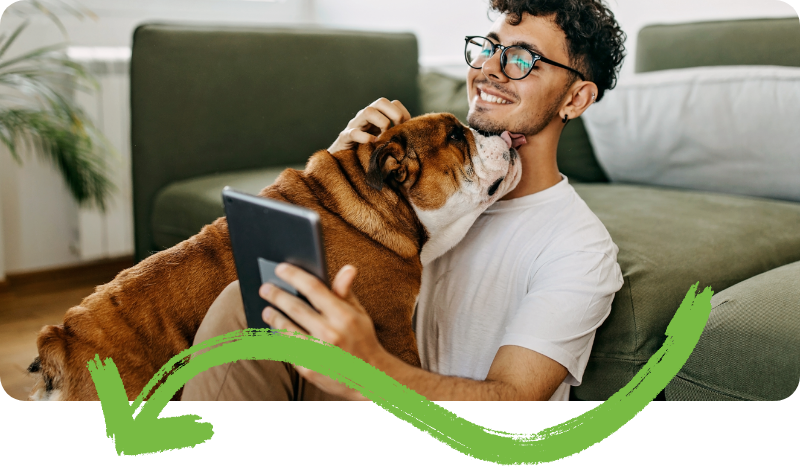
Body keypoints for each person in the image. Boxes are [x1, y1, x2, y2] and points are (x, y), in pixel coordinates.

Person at [181, 0, 626, 402]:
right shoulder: (419, 184)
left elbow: (512, 398)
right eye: (489, 48)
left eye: (522, 59)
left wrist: (369, 372)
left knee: (244, 309)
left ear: (576, 98)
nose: (489, 68)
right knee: (252, 303)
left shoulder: (579, 249)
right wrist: (345, 171)